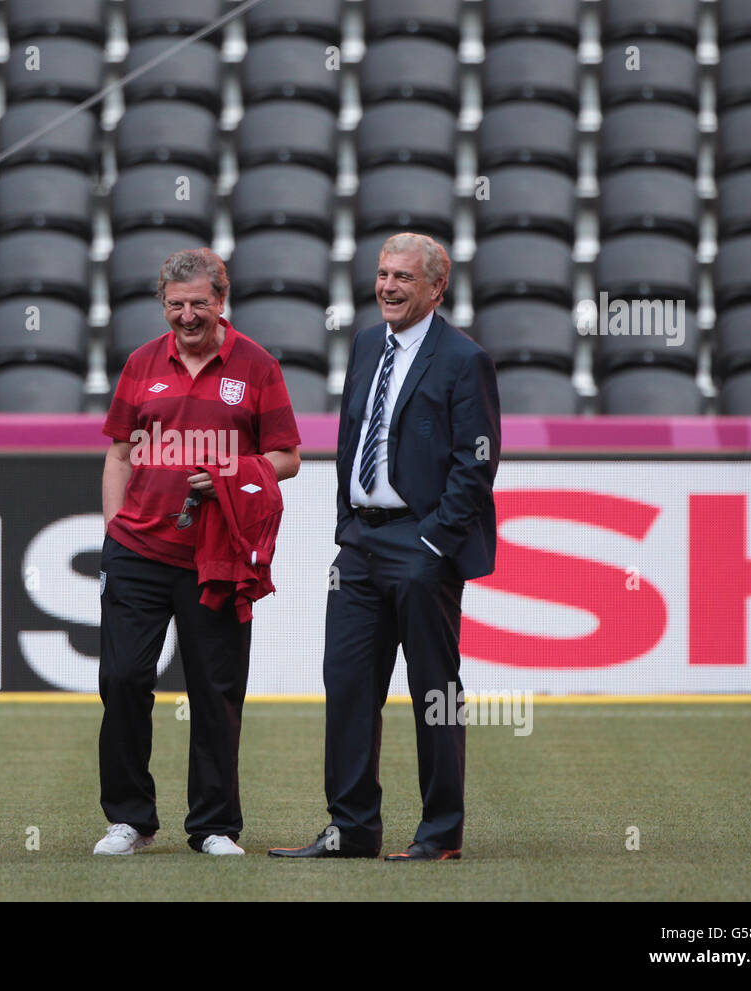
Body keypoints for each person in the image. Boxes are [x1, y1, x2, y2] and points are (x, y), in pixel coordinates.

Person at [269, 232, 501, 862]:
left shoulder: (464, 358)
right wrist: (348, 521)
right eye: (382, 275)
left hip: (421, 545)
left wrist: (433, 544)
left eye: (403, 277)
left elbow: (475, 465)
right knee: (346, 686)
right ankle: (352, 830)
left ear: (435, 288)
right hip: (361, 544)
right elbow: (353, 433)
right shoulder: (368, 343)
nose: (388, 287)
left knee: (434, 691)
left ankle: (439, 833)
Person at [96, 247, 302, 856]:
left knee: (215, 688)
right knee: (124, 678)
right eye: (176, 305)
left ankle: (213, 825)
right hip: (136, 551)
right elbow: (118, 453)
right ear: (163, 304)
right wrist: (114, 529)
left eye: (199, 305)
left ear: (221, 302)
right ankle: (128, 819)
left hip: (218, 554)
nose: (188, 316)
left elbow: (288, 457)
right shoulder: (140, 363)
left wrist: (232, 473)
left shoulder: (258, 366)